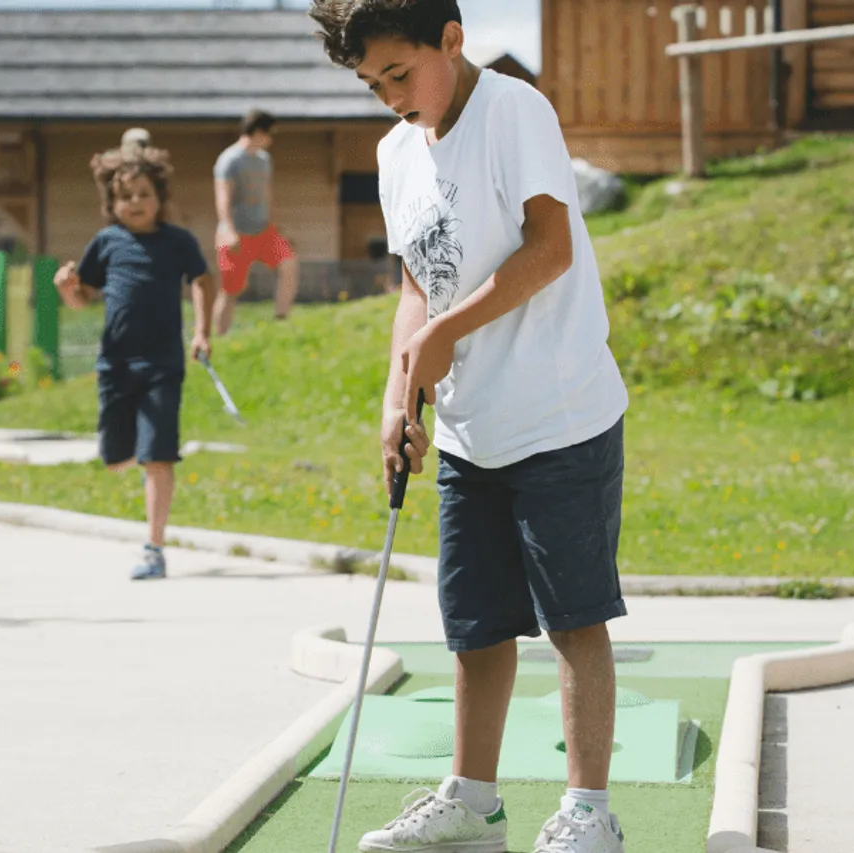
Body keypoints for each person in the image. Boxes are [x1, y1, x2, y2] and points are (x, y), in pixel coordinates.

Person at [311, 2, 633, 852]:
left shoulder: (512, 111)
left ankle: (589, 810)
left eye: (398, 73)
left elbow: (550, 247)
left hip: (560, 411)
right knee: (477, 622)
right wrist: (397, 397)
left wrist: (448, 334)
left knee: (574, 617)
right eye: (370, 83)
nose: (387, 96)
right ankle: (474, 803)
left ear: (451, 40)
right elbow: (419, 288)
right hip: (468, 426)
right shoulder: (393, 152)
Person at [52, 142, 213, 581]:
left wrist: (201, 332)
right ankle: (137, 468)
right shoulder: (106, 243)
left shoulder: (177, 242)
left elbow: (201, 280)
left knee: (157, 456)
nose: (135, 203)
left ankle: (154, 547)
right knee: (115, 454)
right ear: (111, 204)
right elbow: (83, 296)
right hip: (116, 367)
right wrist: (67, 288)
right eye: (125, 196)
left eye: (144, 193)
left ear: (160, 197)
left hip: (163, 365)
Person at [212, 109, 300, 336]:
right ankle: (219, 338)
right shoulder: (229, 160)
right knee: (230, 290)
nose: (271, 139)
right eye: (270, 134)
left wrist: (277, 226)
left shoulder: (264, 160)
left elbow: (267, 196)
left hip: (264, 232)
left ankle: (281, 320)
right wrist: (229, 231)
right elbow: (223, 198)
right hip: (236, 234)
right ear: (258, 132)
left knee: (289, 264)